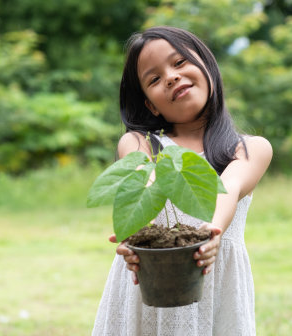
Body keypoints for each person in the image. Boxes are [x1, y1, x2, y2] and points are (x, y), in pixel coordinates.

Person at [92, 26, 272, 336]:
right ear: (150, 104)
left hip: (215, 283)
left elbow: (227, 188)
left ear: (205, 65)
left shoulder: (249, 148)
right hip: (149, 288)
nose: (171, 77)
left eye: (179, 63)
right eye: (154, 79)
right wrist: (133, 234)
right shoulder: (140, 144)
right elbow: (144, 185)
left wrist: (211, 231)